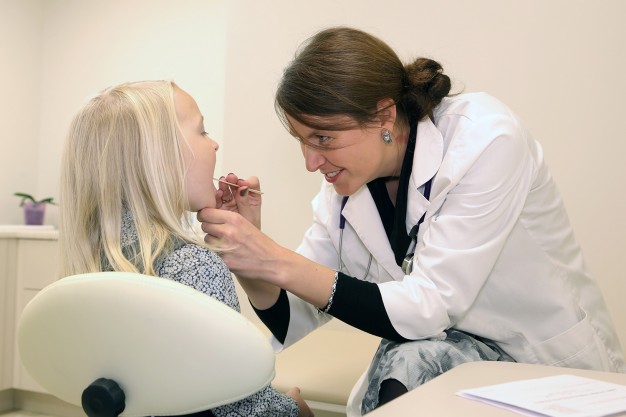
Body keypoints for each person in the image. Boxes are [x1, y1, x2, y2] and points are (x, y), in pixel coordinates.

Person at [198, 26, 626, 416]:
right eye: (302, 140)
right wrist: (250, 255)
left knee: (409, 355)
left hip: (539, 366)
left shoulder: (484, 138)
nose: (311, 162)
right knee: (407, 360)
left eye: (323, 138)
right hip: (444, 364)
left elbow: (429, 306)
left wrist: (276, 260)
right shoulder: (345, 188)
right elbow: (295, 319)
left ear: (384, 115)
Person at [58, 80, 314, 417]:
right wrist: (293, 409)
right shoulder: (193, 264)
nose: (215, 143)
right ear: (159, 158)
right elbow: (237, 404)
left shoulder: (97, 259)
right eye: (202, 131)